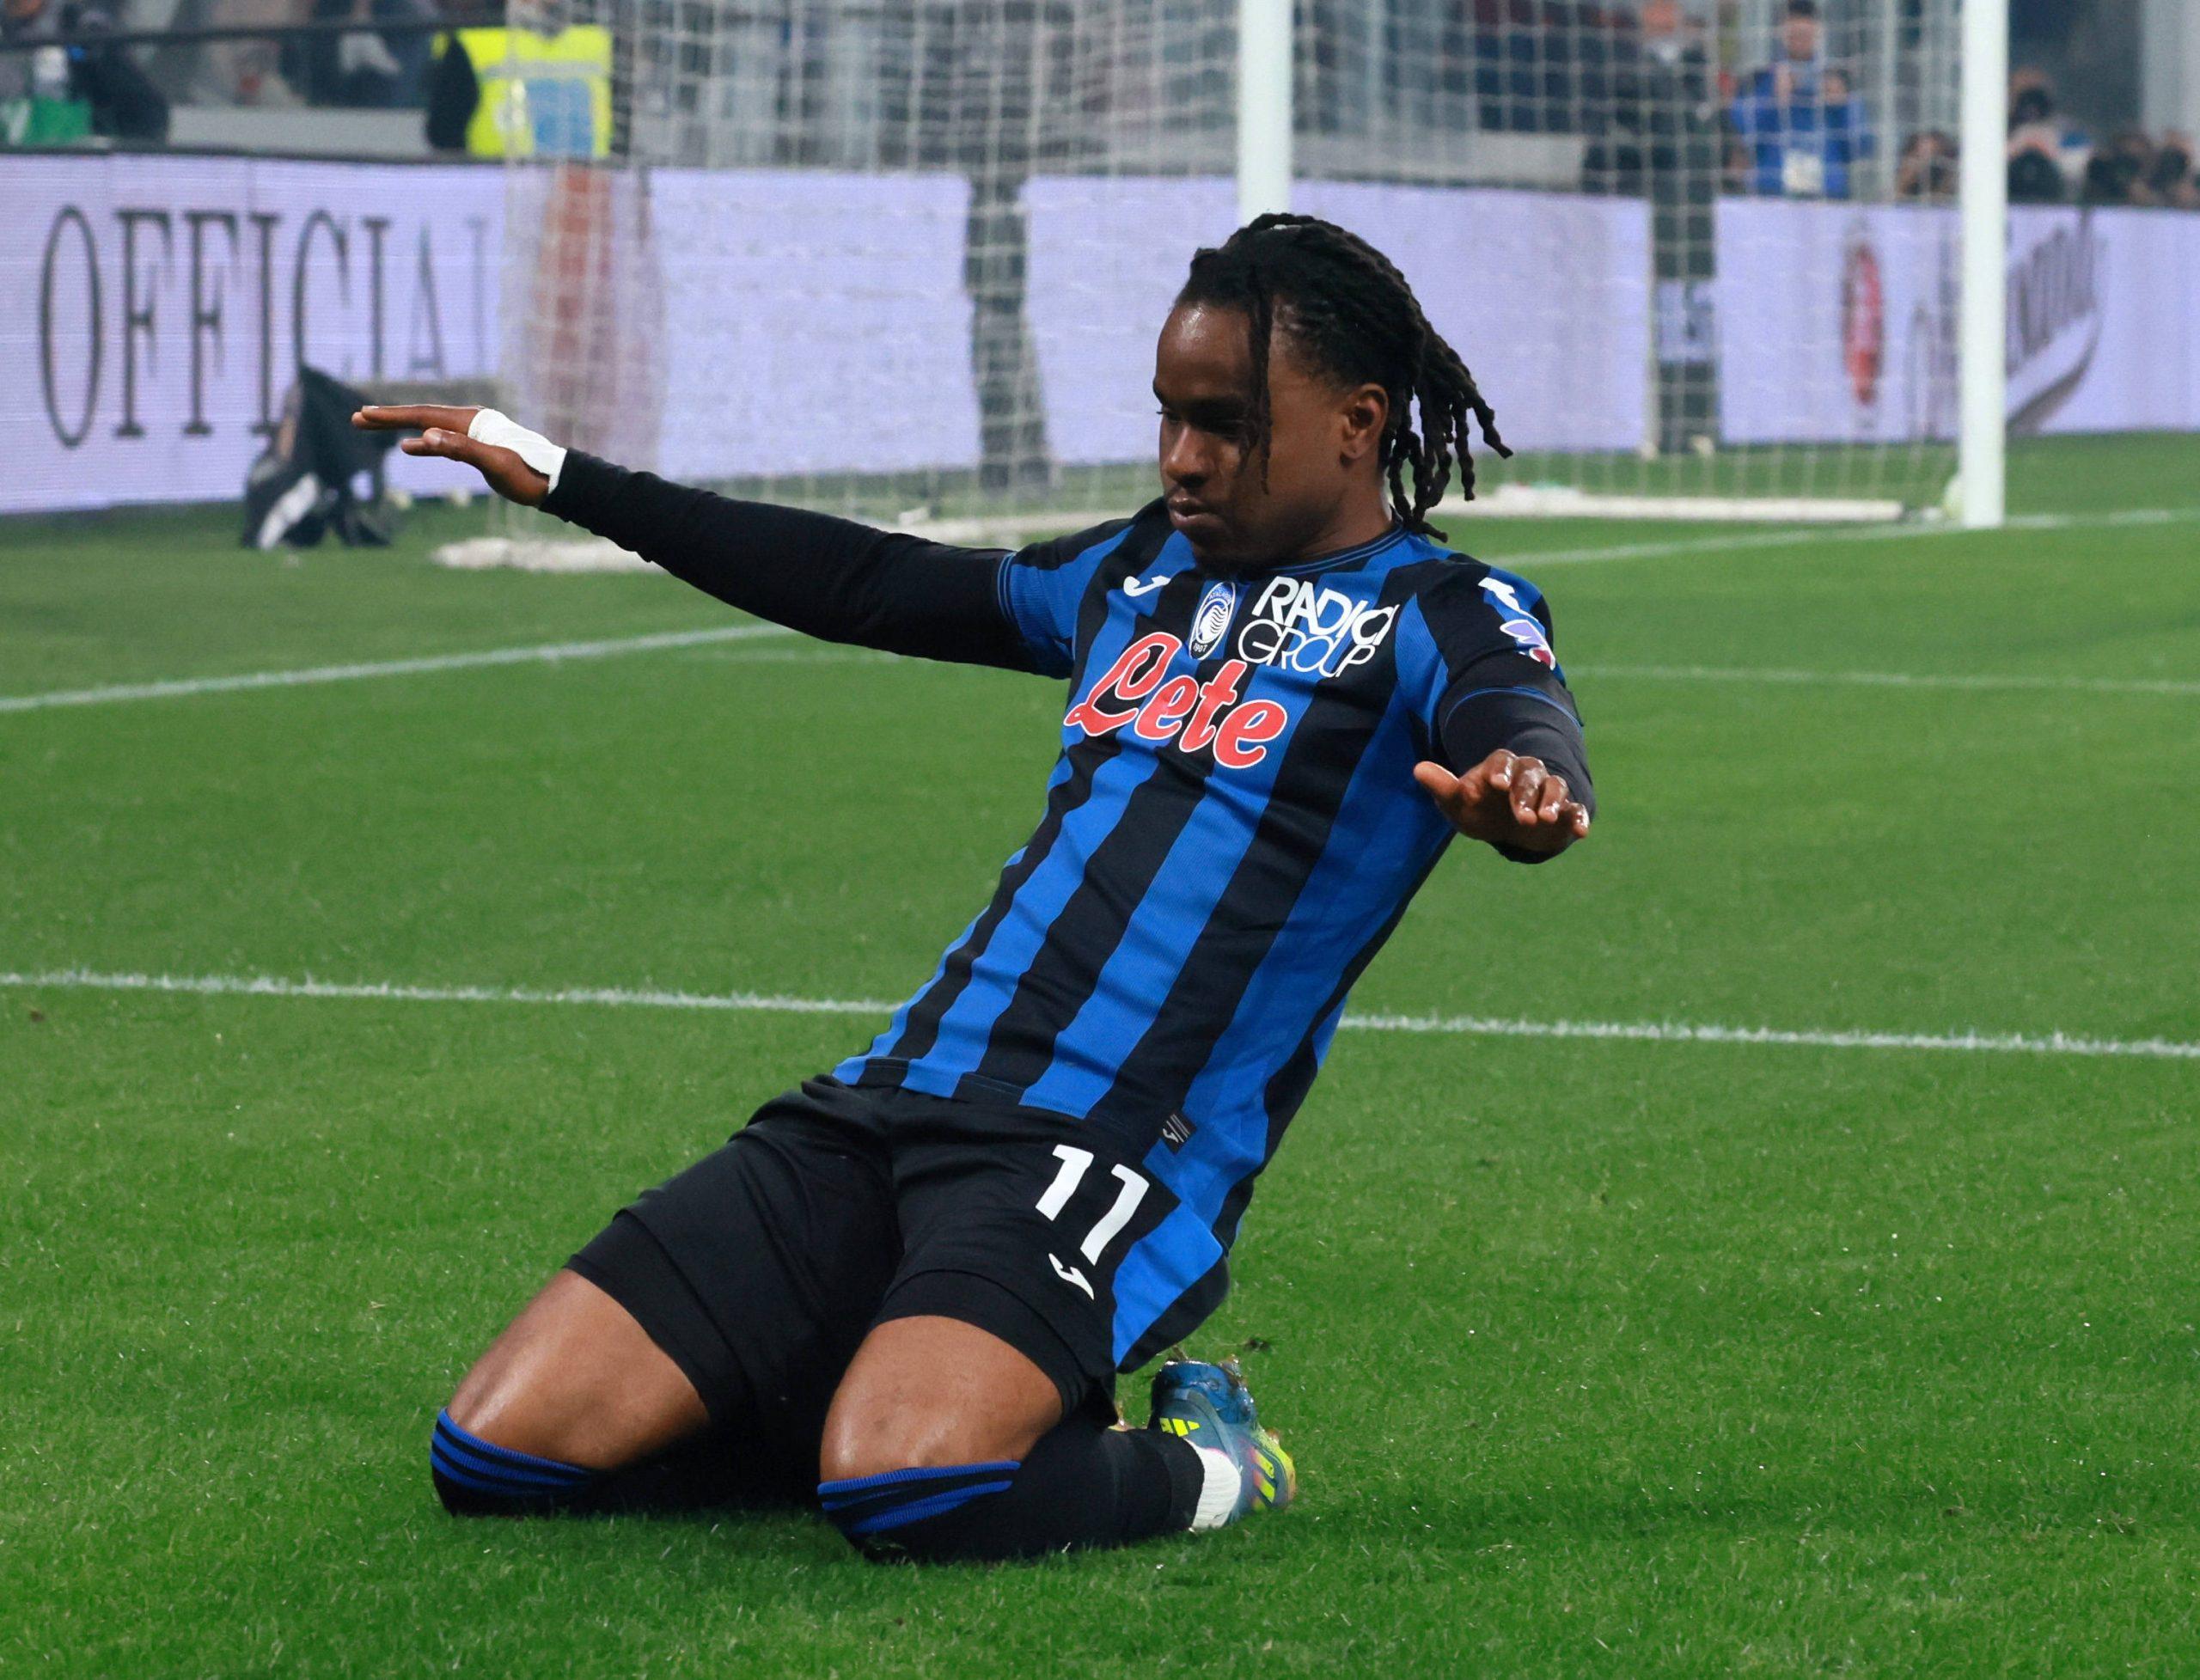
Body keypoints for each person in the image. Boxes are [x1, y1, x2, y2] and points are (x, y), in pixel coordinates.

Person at [355, 213, 1595, 1563]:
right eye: (1169, 415)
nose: (1182, 458)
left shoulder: (1436, 608)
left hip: (1103, 1144)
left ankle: (1215, 1461)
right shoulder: (1130, 571)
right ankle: (891, 1397)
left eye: (1227, 425)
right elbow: (870, 580)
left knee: (909, 1490)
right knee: (496, 1454)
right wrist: (563, 476)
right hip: (888, 1101)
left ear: (1357, 424)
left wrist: (1526, 787)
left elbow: (1514, 708)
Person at [1730, 0, 1868, 200]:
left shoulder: (1838, 81)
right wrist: (1771, 99)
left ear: (1818, 33)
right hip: (1771, 195)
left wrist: (1842, 107)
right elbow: (1739, 133)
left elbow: (1862, 146)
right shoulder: (1759, 80)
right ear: (1780, 33)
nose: (1800, 41)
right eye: (1794, 35)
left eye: (1805, 35)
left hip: (1828, 196)